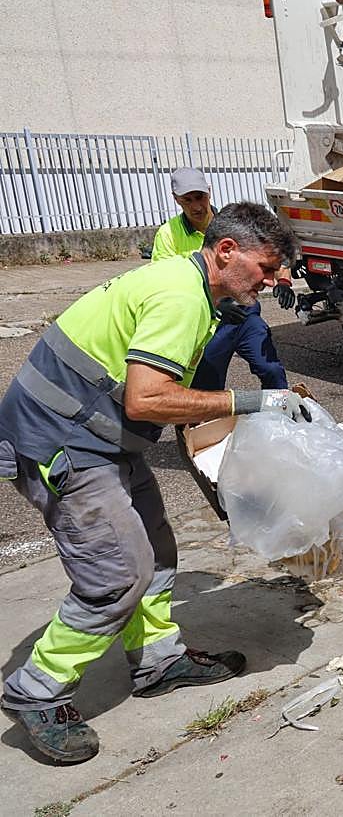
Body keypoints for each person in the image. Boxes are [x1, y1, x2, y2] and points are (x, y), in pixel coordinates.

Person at [0, 203, 309, 765]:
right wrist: (256, 401)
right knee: (117, 573)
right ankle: (37, 690)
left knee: (158, 549)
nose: (273, 279)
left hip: (100, 436)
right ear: (225, 252)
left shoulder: (197, 291)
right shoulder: (180, 297)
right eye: (265, 267)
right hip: (61, 441)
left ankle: (158, 660)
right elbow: (148, 398)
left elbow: (162, 397)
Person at [153, 167, 295, 391]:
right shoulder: (168, 235)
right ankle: (197, 427)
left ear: (209, 192)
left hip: (244, 315)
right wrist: (216, 303)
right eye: (187, 200)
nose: (196, 206)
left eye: (200, 197)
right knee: (206, 388)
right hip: (208, 325)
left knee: (272, 371)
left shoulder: (233, 224)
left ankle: (282, 420)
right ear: (176, 200)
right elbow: (167, 282)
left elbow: (267, 252)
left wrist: (284, 281)